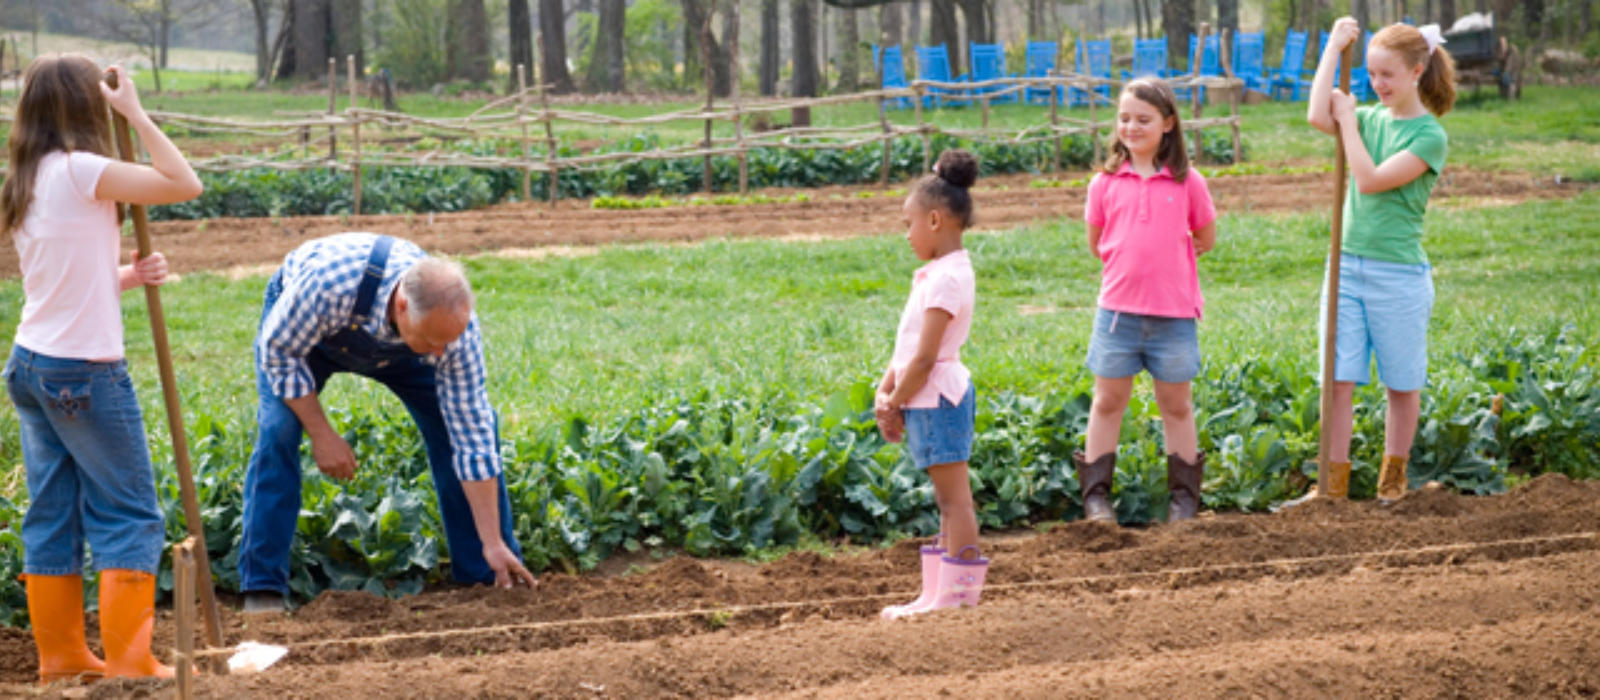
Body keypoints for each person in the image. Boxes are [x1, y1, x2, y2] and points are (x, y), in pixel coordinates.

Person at [2, 57, 203, 682]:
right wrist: (136, 114)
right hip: (85, 374)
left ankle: (62, 657)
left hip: (32, 364)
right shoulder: (84, 170)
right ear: (88, 108)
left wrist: (125, 275)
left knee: (53, 511)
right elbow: (183, 182)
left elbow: (58, 274)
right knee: (128, 512)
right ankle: (131, 661)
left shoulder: (25, 176)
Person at [238, 232, 536, 613]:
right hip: (302, 342)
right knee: (278, 430)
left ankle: (483, 570)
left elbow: (473, 439)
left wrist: (493, 540)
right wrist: (321, 433)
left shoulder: (451, 332)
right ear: (402, 306)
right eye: (434, 341)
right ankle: (262, 588)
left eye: (447, 342)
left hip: (404, 349)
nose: (442, 352)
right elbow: (279, 354)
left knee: (455, 430)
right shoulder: (328, 285)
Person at [1293, 18, 1454, 505]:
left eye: (1387, 74)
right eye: (1370, 73)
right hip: (1345, 269)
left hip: (1398, 276)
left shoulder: (1429, 137)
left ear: (1417, 71)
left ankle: (1392, 485)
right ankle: (1332, 489)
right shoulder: (1369, 119)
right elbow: (1317, 114)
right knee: (1338, 380)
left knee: (1400, 384)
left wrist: (1348, 120)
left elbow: (1369, 179)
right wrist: (1332, 48)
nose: (1377, 84)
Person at [1075, 78, 1218, 525]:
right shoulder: (1104, 183)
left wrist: (1167, 264)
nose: (1132, 127)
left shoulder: (1187, 182)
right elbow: (1098, 242)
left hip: (1173, 315)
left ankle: (1183, 499)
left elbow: (1206, 238)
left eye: (1143, 119)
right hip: (1117, 313)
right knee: (1107, 401)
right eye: (1124, 119)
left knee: (1175, 403)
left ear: (1168, 124)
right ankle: (1096, 497)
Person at [876, 150, 989, 620]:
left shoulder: (946, 280)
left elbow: (924, 357)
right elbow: (907, 346)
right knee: (946, 500)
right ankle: (938, 594)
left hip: (937, 398)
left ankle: (957, 596)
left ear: (937, 220)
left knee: (954, 499)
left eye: (910, 223)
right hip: (925, 397)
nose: (907, 234)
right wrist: (889, 388)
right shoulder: (937, 274)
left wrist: (894, 402)